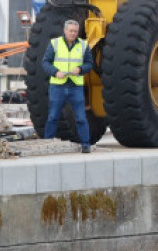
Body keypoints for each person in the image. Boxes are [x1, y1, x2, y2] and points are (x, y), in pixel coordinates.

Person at [41, 20, 93, 153]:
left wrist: (80, 69)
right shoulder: (55, 43)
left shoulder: (83, 44)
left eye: (75, 31)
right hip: (58, 86)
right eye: (70, 30)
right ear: (65, 31)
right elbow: (45, 62)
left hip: (75, 86)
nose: (73, 33)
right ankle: (47, 143)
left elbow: (89, 63)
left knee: (81, 117)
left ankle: (86, 144)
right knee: (53, 116)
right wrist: (55, 72)